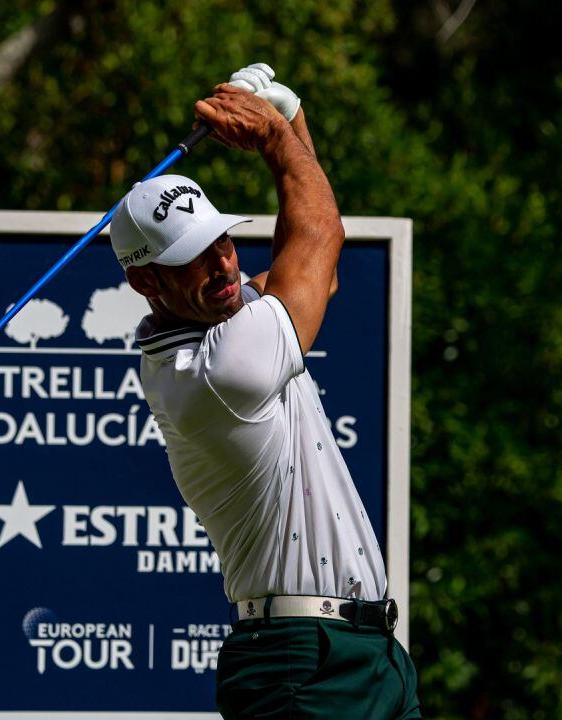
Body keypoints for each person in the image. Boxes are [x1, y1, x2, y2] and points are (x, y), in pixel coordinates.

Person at [109, 64, 421, 720]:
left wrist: (287, 114)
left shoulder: (224, 325)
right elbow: (318, 239)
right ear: (145, 285)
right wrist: (276, 134)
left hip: (362, 654)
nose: (222, 262)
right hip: (301, 661)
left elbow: (316, 267)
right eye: (192, 256)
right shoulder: (219, 372)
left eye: (221, 239)